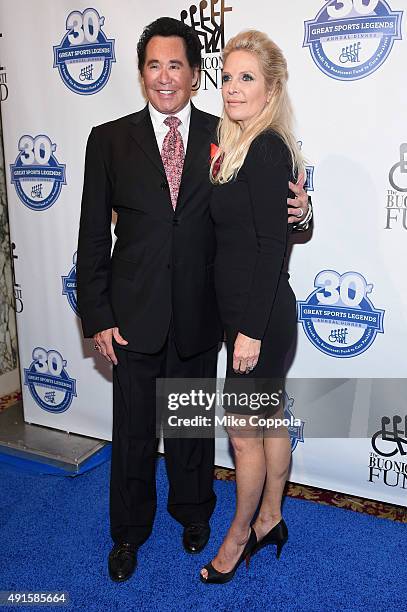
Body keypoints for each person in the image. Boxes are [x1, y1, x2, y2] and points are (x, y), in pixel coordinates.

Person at [76, 17, 310, 583]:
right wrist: (97, 314)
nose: (165, 76)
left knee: (189, 429)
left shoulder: (227, 133)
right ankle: (128, 533)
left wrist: (305, 212)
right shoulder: (107, 139)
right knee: (132, 432)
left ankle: (194, 513)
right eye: (154, 65)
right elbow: (90, 234)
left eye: (176, 64)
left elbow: (266, 213)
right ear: (140, 74)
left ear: (194, 73)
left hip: (203, 314)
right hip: (133, 315)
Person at [200, 30, 303, 584]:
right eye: (228, 75)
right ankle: (270, 518)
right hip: (252, 315)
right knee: (268, 424)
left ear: (272, 89)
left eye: (247, 78)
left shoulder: (266, 146)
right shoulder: (237, 141)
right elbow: (269, 226)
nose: (232, 87)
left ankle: (239, 537)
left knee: (242, 434)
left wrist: (250, 331)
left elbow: (271, 247)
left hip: (256, 320)